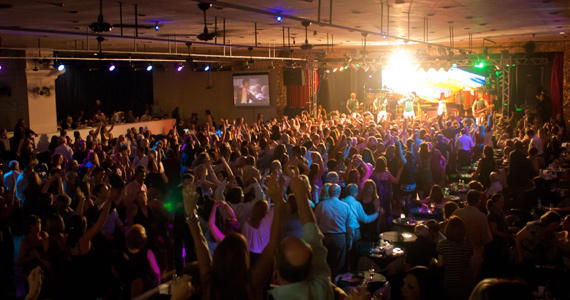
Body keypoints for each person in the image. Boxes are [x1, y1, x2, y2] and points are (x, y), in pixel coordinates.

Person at [272, 164, 334, 300]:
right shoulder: (322, 287)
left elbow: (313, 240)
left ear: (276, 265)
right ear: (311, 265)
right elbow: (314, 239)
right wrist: (300, 194)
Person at [452, 190, 492, 282]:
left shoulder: (456, 213)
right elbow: (487, 239)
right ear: (478, 201)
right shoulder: (481, 216)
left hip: (456, 251)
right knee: (472, 281)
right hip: (474, 254)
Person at [435, 216, 474, 300]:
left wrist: (433, 262)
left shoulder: (442, 244)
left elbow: (440, 264)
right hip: (466, 280)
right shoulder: (468, 245)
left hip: (450, 280)